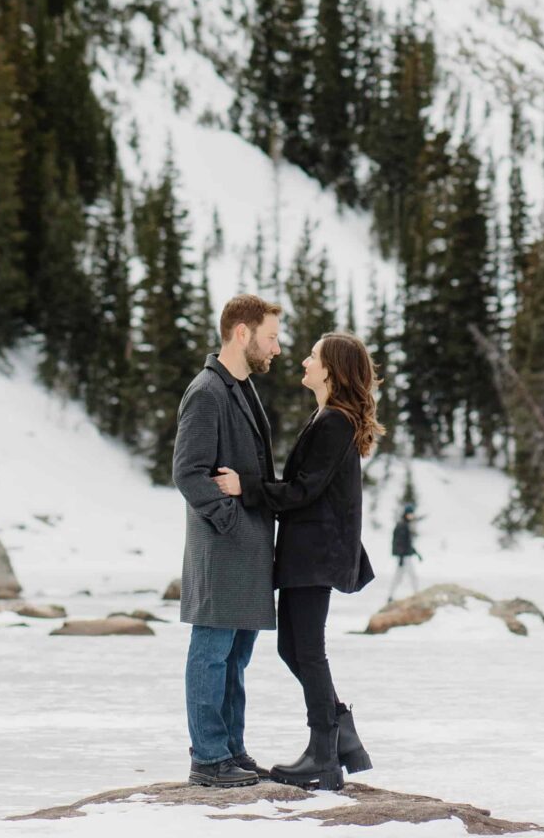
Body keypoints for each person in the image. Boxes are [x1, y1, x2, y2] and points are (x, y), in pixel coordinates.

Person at [215, 329, 380, 793]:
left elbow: (303, 490)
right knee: (295, 648)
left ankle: (325, 754)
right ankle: (336, 733)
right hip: (309, 553)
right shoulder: (327, 417)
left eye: (312, 356)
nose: (303, 361)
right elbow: (306, 486)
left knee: (305, 649)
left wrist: (244, 487)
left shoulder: (334, 423)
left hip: (316, 554)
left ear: (330, 369)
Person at [171, 294, 283, 788]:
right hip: (222, 548)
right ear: (243, 332)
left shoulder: (239, 387)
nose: (277, 348)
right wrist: (233, 522)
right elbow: (188, 473)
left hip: (247, 549)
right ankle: (208, 757)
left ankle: (231, 750)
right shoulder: (208, 391)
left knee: (236, 657)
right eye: (272, 336)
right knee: (211, 652)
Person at [387, 490, 420, 600]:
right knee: (406, 576)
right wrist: (401, 556)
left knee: (402, 576)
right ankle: (415, 594)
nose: (411, 516)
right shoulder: (402, 526)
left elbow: (408, 543)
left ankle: (391, 595)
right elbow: (398, 542)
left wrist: (416, 552)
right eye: (410, 514)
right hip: (404, 556)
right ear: (406, 514)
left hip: (407, 555)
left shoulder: (406, 525)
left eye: (412, 514)